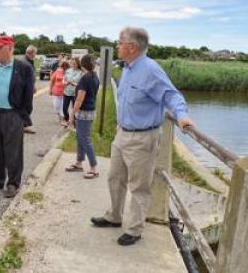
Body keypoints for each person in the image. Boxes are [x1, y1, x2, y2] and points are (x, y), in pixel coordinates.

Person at [91, 27, 194, 246]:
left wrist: (182, 116)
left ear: (132, 47)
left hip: (142, 138)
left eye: (120, 42)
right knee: (114, 178)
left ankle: (135, 229)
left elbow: (171, 95)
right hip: (122, 134)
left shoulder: (150, 70)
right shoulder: (127, 68)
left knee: (139, 186)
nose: (118, 45)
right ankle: (114, 216)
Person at [0, 34, 34, 198]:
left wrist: (22, 116)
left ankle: (13, 183)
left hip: (13, 114)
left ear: (10, 48)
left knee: (14, 151)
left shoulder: (23, 69)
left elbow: (28, 95)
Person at [65, 55, 100, 178]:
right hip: (90, 111)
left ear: (83, 65)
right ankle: (79, 162)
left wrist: (72, 115)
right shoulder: (95, 76)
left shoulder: (85, 79)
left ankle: (94, 168)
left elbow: (79, 99)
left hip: (83, 112)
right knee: (81, 138)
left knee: (85, 139)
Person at [20, 45, 38, 134]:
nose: (35, 55)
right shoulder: (24, 62)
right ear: (30, 53)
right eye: (35, 53)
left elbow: (30, 77)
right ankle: (25, 125)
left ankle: (23, 125)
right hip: (25, 90)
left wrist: (33, 86)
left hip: (28, 88)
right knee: (26, 107)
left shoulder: (29, 61)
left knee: (27, 107)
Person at [62, 57, 83, 126]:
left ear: (78, 64)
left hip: (75, 93)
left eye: (75, 64)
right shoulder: (68, 71)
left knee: (74, 109)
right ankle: (67, 119)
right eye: (72, 63)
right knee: (64, 108)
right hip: (66, 92)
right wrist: (66, 83)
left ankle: (74, 123)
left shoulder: (81, 72)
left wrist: (74, 84)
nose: (73, 65)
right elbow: (63, 81)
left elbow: (81, 85)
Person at [50, 60, 68, 124]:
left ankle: (62, 119)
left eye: (64, 65)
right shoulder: (57, 71)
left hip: (65, 92)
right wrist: (50, 89)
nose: (62, 67)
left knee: (63, 107)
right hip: (56, 92)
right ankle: (59, 118)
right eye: (62, 65)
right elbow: (52, 80)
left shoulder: (68, 72)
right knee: (56, 106)